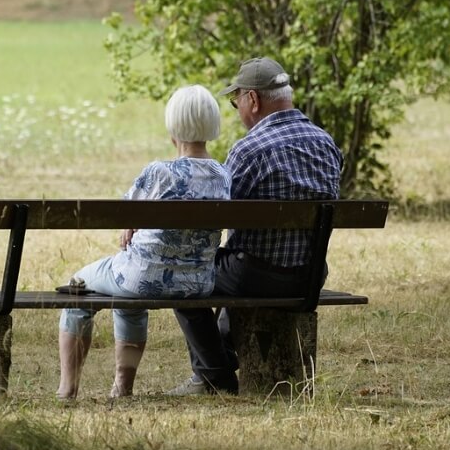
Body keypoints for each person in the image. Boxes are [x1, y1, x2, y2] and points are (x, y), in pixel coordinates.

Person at [167, 57, 344, 396]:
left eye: (236, 103)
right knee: (234, 264)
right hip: (309, 276)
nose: (237, 111)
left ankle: (214, 377)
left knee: (182, 275)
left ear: (252, 99)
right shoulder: (326, 144)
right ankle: (217, 365)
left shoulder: (249, 150)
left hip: (256, 276)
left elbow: (217, 216)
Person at [57, 84, 232, 400]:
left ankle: (67, 389)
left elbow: (124, 213)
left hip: (141, 278)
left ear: (172, 127)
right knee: (127, 296)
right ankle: (121, 388)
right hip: (197, 284)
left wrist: (131, 224)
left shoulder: (159, 172)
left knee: (78, 286)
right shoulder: (223, 175)